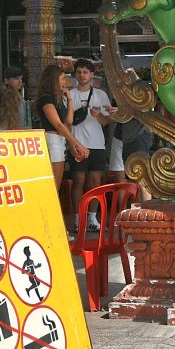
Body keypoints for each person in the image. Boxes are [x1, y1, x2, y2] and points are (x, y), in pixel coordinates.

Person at [68, 59, 113, 233]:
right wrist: (71, 144)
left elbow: (106, 121)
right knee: (78, 181)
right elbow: (66, 123)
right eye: (79, 72)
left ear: (92, 74)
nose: (82, 75)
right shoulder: (70, 94)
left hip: (97, 145)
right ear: (75, 74)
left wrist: (98, 116)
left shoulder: (100, 95)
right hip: (77, 143)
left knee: (95, 183)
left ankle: (92, 218)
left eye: (85, 72)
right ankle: (79, 218)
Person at [34, 65, 88, 191]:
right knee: (53, 187)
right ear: (54, 80)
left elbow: (68, 122)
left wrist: (69, 100)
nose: (65, 82)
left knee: (55, 185)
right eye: (62, 78)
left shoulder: (56, 99)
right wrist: (77, 144)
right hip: (52, 140)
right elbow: (58, 125)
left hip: (59, 141)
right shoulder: (46, 99)